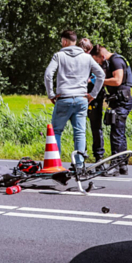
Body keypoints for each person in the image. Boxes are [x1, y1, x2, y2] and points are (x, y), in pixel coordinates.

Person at [44, 30, 105, 163]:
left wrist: (51, 94)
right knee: (80, 133)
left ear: (64, 41)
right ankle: (79, 165)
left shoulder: (59, 56)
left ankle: (56, 163)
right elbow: (101, 75)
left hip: (64, 98)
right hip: (81, 99)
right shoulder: (87, 57)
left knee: (56, 132)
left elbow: (48, 75)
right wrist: (93, 94)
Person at [92, 44, 132, 175]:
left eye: (97, 60)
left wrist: (100, 81)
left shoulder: (115, 60)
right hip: (117, 100)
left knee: (117, 134)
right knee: (118, 132)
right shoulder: (113, 60)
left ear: (102, 56)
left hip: (121, 101)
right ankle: (122, 165)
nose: (98, 63)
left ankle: (116, 164)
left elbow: (117, 81)